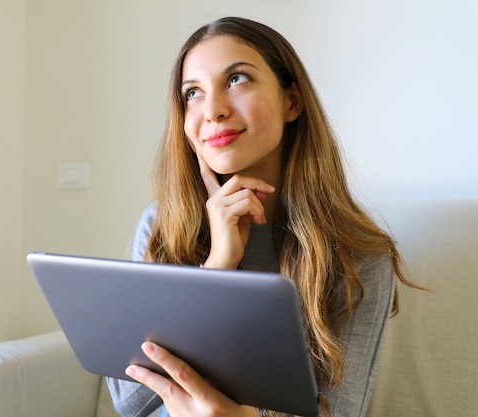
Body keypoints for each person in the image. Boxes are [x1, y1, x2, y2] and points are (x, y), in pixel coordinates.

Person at [107, 16, 415, 417]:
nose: (213, 111)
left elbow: (340, 411)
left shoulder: (361, 256)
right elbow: (130, 402)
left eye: (236, 79)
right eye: (193, 93)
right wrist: (216, 268)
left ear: (291, 101)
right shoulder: (162, 227)